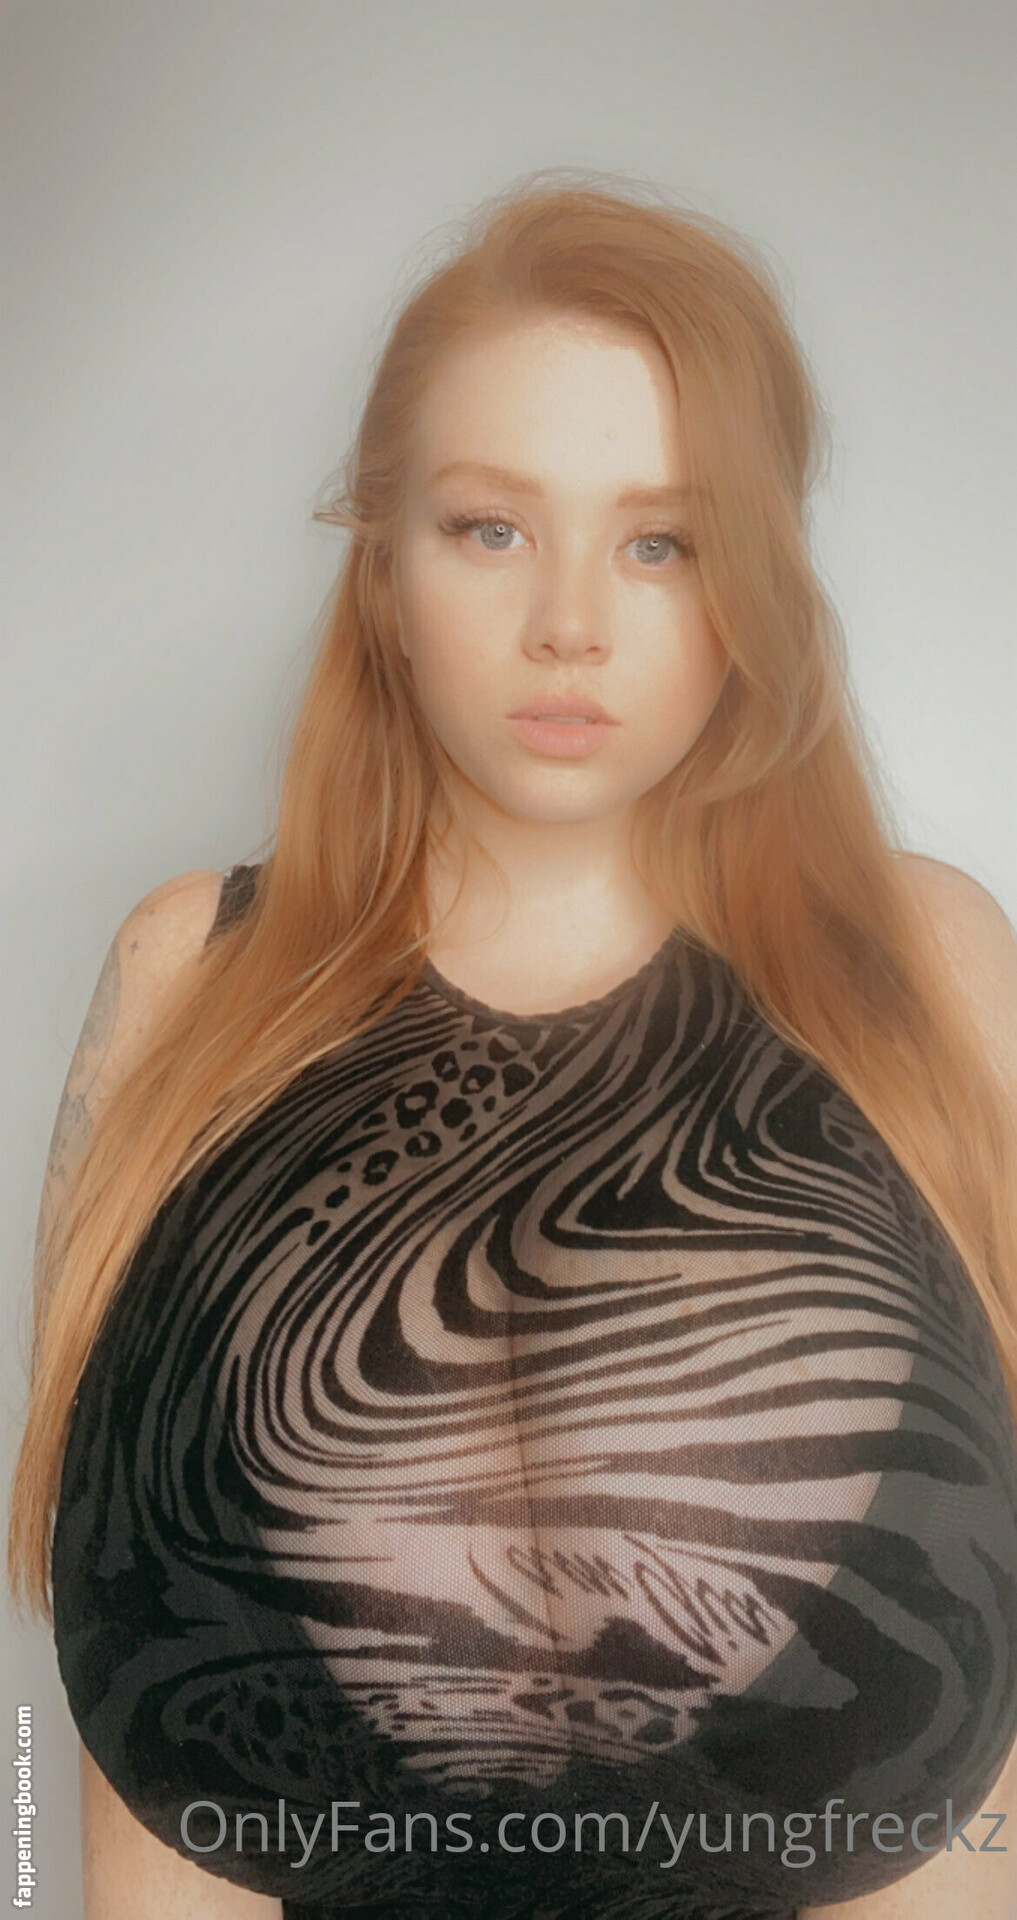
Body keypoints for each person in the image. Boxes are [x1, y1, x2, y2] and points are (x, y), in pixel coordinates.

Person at [8, 172, 1017, 1920]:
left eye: (658, 540)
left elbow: (985, 1760)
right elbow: (131, 1739)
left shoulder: (923, 970)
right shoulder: (186, 978)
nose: (569, 622)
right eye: (490, 528)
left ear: (753, 579)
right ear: (381, 562)